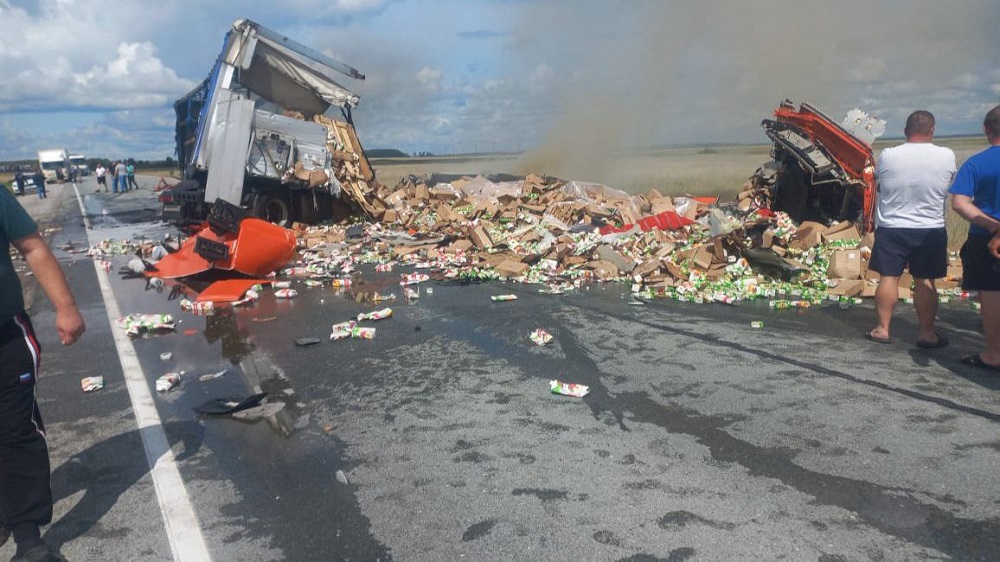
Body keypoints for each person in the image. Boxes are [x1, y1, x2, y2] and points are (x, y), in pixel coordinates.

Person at [1, 184, 85, 560]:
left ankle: (27, 536)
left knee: (15, 431)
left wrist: (64, 307)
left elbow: (33, 246)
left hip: (5, 337)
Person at [867, 110, 956, 347]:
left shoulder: (888, 155)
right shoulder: (946, 155)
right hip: (930, 228)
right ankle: (926, 333)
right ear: (932, 130)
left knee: (888, 278)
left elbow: (880, 185)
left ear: (906, 131)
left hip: (892, 227)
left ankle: (883, 329)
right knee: (926, 280)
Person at [953, 105, 1000, 371]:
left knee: (992, 296)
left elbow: (959, 203)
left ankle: (994, 353)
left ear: (986, 130)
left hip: (986, 239)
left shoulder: (976, 163)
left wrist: (994, 227)